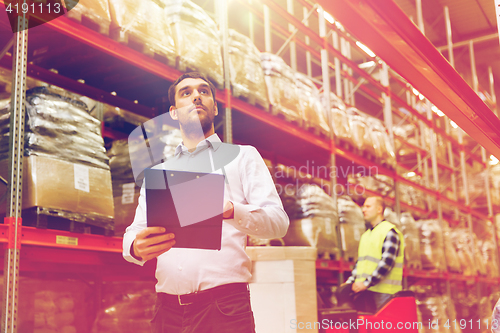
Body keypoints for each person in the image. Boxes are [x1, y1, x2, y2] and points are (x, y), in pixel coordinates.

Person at [122, 72, 289, 333]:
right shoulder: (159, 173)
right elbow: (134, 229)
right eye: (186, 93)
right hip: (166, 312)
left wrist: (233, 210)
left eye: (204, 91)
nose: (196, 96)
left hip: (223, 310)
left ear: (215, 106)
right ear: (174, 112)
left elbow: (278, 223)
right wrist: (135, 247)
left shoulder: (242, 157)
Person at [342, 196, 405, 312]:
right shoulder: (366, 235)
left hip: (385, 293)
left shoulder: (389, 231)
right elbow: (361, 264)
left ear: (379, 209)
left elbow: (387, 263)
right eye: (363, 207)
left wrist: (366, 283)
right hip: (368, 291)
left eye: (368, 206)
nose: (363, 210)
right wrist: (350, 282)